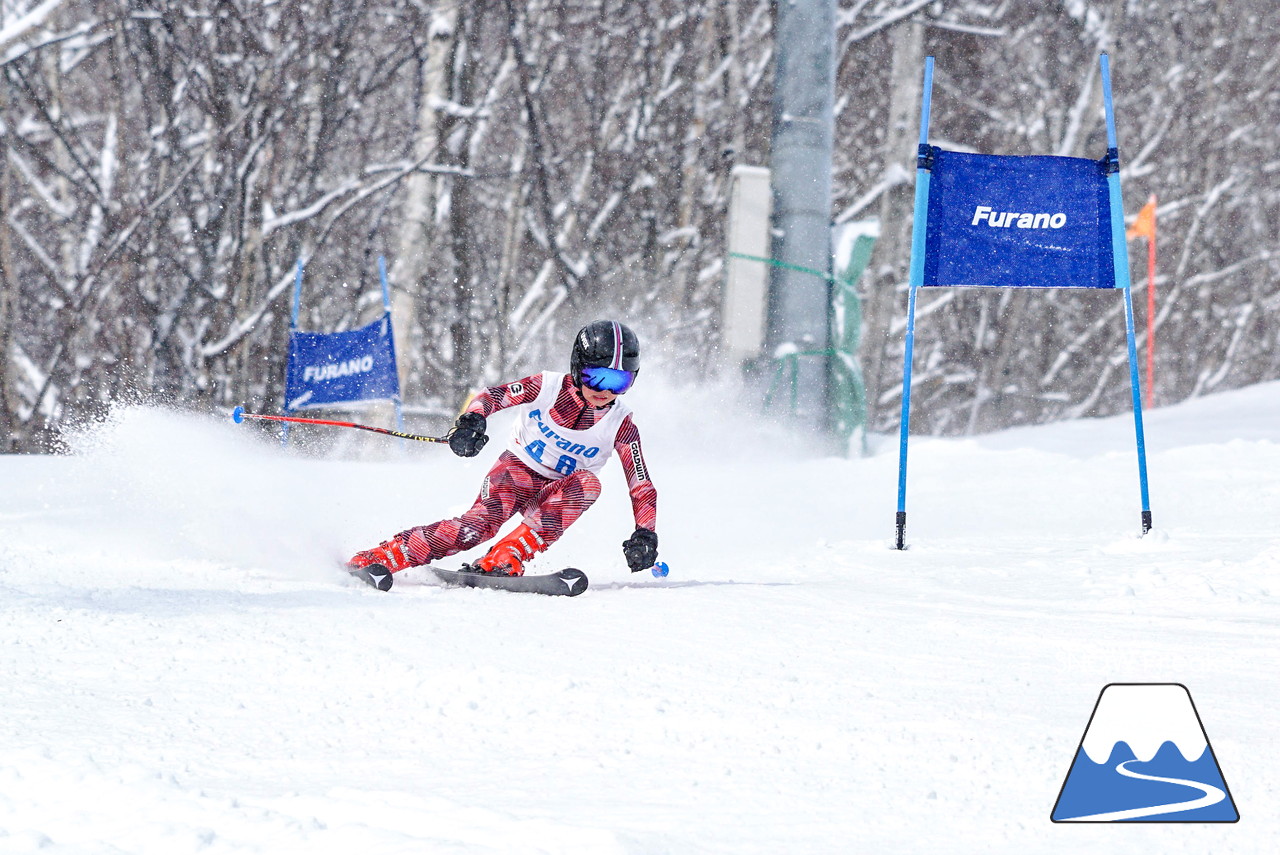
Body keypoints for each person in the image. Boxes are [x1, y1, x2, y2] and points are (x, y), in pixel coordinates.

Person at [346, 320, 659, 591]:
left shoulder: (621, 423)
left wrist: (645, 533)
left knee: (589, 484)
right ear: (578, 367)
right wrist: (472, 421)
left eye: (620, 381)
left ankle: (505, 557)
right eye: (597, 377)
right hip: (514, 475)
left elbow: (641, 484)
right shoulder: (547, 386)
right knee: (475, 529)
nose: (605, 391)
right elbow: (492, 396)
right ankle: (379, 557)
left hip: (554, 495)